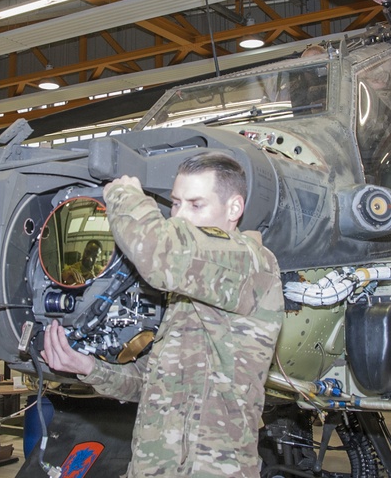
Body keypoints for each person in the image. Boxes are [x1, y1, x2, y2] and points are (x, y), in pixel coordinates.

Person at [43, 152, 284, 477]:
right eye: (175, 203)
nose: (180, 217)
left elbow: (161, 251)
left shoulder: (251, 264)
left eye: (196, 205)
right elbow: (154, 383)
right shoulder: (190, 287)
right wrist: (88, 368)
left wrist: (123, 193)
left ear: (234, 209)